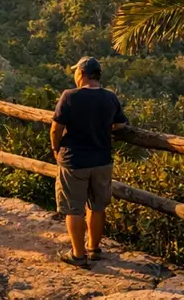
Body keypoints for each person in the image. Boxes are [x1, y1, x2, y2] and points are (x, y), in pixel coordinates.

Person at [51, 56, 129, 266]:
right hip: (102, 160)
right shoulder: (109, 97)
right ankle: (94, 249)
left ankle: (78, 254)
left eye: (76, 72)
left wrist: (55, 149)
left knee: (73, 208)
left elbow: (56, 128)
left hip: (74, 161)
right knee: (97, 206)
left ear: (82, 74)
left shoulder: (69, 96)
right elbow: (121, 125)